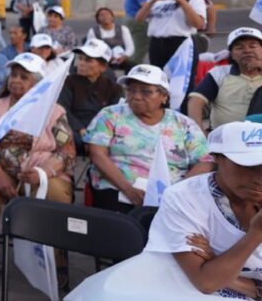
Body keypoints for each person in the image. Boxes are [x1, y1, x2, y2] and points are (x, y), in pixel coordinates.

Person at [0, 53, 76, 282]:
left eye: (23, 77)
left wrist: (42, 172)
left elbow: (67, 152)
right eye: (13, 75)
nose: (15, 80)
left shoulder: (54, 111)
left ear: (37, 83)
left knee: (55, 193)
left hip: (40, 169)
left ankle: (55, 258)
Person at [145, 121, 262, 301]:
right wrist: (256, 233)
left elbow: (210, 275)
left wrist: (217, 264)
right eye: (247, 167)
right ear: (216, 157)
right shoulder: (185, 198)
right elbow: (207, 282)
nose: (258, 179)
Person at [85, 64, 212, 212]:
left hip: (173, 191)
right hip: (118, 187)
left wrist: (176, 193)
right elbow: (97, 153)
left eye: (146, 91)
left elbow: (205, 162)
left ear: (164, 96)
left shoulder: (183, 124)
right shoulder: (110, 115)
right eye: (131, 90)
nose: (137, 96)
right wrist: (128, 190)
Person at [188, 28, 262, 131]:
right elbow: (196, 101)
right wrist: (199, 132)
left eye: (253, 46)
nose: (247, 50)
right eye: (239, 47)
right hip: (225, 139)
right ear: (231, 54)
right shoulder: (219, 73)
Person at [58, 39, 123, 154]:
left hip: (102, 131)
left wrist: (97, 133)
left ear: (102, 67)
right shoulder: (69, 81)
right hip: (73, 129)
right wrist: (80, 129)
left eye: (88, 60)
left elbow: (115, 116)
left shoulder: (114, 88)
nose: (81, 63)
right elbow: (63, 109)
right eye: (80, 59)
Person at [136, 0, 206, 68]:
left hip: (181, 43)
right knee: (159, 80)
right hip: (157, 44)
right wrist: (153, 0)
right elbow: (139, 19)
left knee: (180, 82)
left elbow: (198, 24)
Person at [86, 7, 135, 71]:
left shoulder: (123, 29)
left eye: (107, 14)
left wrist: (124, 56)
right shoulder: (93, 31)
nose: (105, 16)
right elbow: (91, 48)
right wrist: (106, 57)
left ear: (112, 17)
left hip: (121, 57)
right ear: (97, 19)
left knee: (132, 66)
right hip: (102, 59)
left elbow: (130, 47)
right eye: (101, 15)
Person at [124, 0, 156, 66]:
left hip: (129, 19)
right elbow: (146, 6)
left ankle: (130, 66)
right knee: (139, 47)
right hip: (137, 21)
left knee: (132, 45)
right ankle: (134, 67)